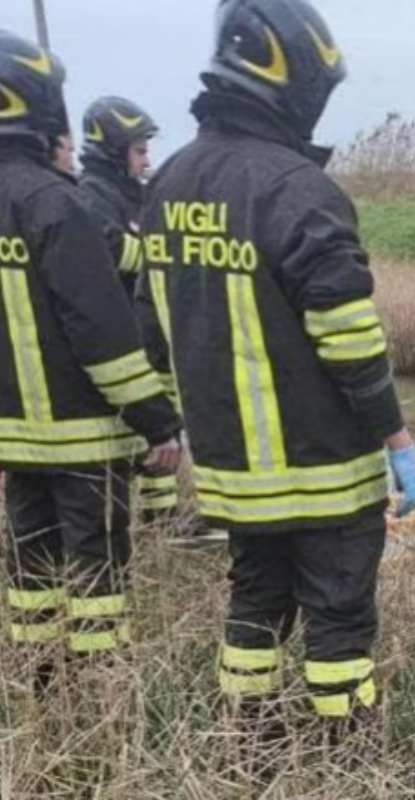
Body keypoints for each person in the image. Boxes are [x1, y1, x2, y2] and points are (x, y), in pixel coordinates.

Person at [136, 0, 415, 742]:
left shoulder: (166, 184)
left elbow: (151, 324)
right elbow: (349, 336)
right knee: (338, 623)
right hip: (324, 470)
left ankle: (249, 746)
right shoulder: (298, 188)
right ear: (290, 81)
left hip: (234, 477)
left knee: (254, 609)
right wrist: (395, 439)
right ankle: (348, 757)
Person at [0, 29, 182, 694]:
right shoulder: (57, 204)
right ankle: (98, 692)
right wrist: (157, 421)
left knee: (32, 574)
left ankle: (37, 684)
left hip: (13, 443)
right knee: (97, 579)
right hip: (82, 439)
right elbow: (102, 332)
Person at [77, 97, 187, 529]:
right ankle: (149, 518)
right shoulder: (90, 196)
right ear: (114, 150)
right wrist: (161, 252)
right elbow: (109, 252)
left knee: (165, 421)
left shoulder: (134, 194)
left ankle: (163, 515)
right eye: (139, 151)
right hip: (124, 336)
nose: (146, 160)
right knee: (140, 429)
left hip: (152, 333)